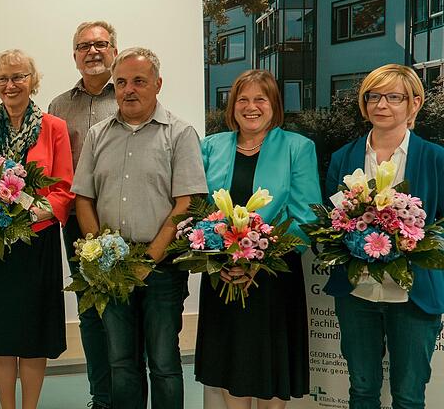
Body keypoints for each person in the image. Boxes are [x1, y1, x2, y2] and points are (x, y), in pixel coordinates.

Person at [73, 47, 207, 409]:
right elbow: (83, 198)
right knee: (121, 363)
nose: (128, 90)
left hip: (161, 268)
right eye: (121, 83)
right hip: (111, 268)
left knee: (163, 363)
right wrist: (98, 250)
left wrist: (148, 258)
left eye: (138, 81)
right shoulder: (98, 135)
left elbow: (188, 203)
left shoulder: (180, 134)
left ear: (157, 84)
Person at [195, 69, 320, 409]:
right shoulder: (210, 146)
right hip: (222, 276)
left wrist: (256, 258)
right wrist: (219, 258)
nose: (251, 107)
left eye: (260, 99)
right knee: (231, 365)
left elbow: (306, 217)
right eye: (243, 99)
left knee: (270, 370)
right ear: (232, 106)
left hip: (274, 278)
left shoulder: (298, 147)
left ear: (274, 105)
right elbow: (197, 209)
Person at [324, 64, 444, 408]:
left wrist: (414, 241)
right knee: (361, 391)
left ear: (414, 103)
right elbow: (332, 221)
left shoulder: (436, 159)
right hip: (356, 293)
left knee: (408, 396)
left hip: (414, 295)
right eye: (373, 96)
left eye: (394, 97)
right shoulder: (343, 158)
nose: (382, 104)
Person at [0, 49, 74, 409]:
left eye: (19, 77)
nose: (11, 85)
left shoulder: (54, 127)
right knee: (0, 332)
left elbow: (63, 189)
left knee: (32, 332)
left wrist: (27, 212)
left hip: (36, 243)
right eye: (4, 78)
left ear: (33, 81)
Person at [48, 21, 119, 409]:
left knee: (126, 307)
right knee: (91, 309)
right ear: (74, 55)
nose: (92, 51)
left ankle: (129, 392)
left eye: (100, 44)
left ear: (114, 50)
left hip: (126, 218)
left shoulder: (128, 94)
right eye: (83, 46)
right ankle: (102, 396)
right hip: (79, 221)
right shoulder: (59, 106)